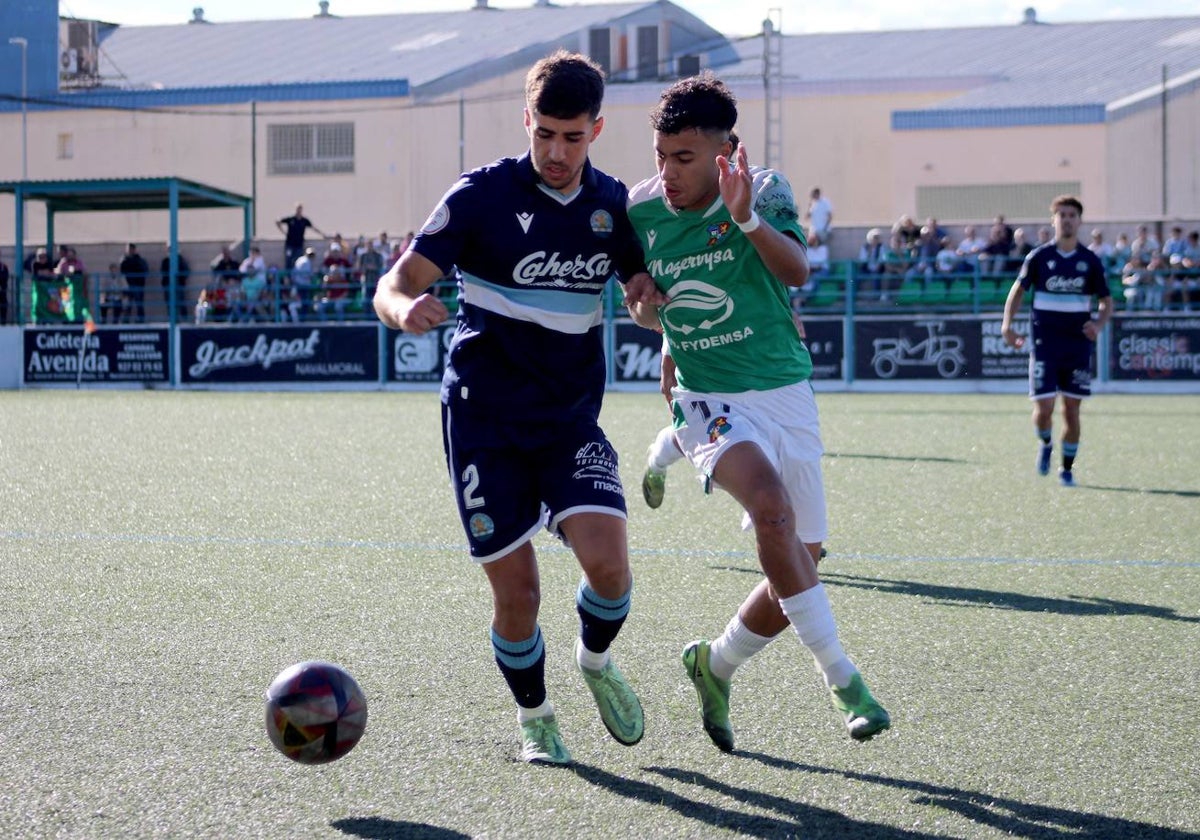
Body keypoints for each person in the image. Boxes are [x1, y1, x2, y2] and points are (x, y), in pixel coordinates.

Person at [373, 50, 648, 766]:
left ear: (596, 129)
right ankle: (537, 716)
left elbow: (642, 286)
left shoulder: (614, 206)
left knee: (611, 571)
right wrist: (403, 309)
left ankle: (593, 663)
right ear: (526, 120)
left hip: (568, 420)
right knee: (518, 592)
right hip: (483, 422)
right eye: (545, 135)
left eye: (573, 137)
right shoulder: (479, 197)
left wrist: (650, 303)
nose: (557, 153)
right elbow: (393, 282)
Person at [624, 73, 890, 752]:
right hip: (706, 398)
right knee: (770, 510)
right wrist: (644, 305)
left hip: (783, 392)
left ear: (725, 152)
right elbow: (639, 298)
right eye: (660, 155)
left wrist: (745, 218)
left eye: (684, 159)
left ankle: (715, 665)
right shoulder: (641, 212)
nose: (667, 173)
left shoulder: (764, 187)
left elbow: (796, 271)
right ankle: (845, 682)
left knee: (800, 561)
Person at [1001, 195, 1112, 487]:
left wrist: (1099, 323)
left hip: (1076, 348)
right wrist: (1007, 326)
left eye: (1072, 215)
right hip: (1044, 347)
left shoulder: (1090, 261)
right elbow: (1018, 291)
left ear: (1079, 221)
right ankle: (1046, 443)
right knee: (1043, 411)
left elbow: (1106, 302)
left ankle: (1066, 469)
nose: (1066, 219)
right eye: (1061, 214)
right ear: (1054, 220)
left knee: (1072, 411)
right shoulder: (1038, 257)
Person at [276, 203, 327, 268]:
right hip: (290, 244)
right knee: (288, 260)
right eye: (297, 209)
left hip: (299, 245)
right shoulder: (291, 219)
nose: (299, 211)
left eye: (300, 209)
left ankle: (295, 276)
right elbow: (278, 221)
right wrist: (283, 232)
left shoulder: (304, 220)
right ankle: (287, 277)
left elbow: (313, 228)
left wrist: (323, 234)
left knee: (298, 261)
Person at [119, 243, 150, 323]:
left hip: (137, 284)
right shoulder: (124, 260)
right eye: (128, 250)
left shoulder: (139, 260)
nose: (129, 251)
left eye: (130, 249)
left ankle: (140, 320)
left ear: (134, 250)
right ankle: (126, 320)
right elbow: (121, 272)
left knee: (139, 303)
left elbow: (145, 271)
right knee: (127, 304)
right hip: (127, 285)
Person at [161, 246, 192, 322]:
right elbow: (163, 272)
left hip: (178, 285)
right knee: (170, 304)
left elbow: (186, 271)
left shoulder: (180, 260)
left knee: (181, 302)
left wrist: (180, 279)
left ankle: (184, 320)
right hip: (168, 285)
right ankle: (172, 319)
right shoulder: (166, 261)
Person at [0, 249, 9, 325]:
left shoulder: (3, 267)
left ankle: (3, 323)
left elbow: (4, 278)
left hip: (1, 293)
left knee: (3, 305)